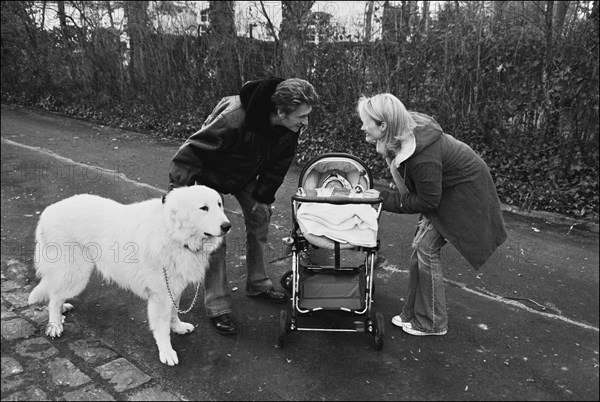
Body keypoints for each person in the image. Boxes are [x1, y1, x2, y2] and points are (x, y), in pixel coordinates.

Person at [168, 77, 319, 335]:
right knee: (215, 237)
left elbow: (279, 163)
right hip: (209, 174)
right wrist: (176, 193)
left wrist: (263, 195)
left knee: (261, 216)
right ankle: (218, 305)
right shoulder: (234, 117)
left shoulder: (290, 127)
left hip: (244, 174)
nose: (306, 122)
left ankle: (258, 283)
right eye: (302, 116)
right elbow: (191, 152)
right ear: (280, 112)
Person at [357, 93, 507, 336]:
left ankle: (432, 322)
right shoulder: (400, 134)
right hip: (446, 189)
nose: (362, 126)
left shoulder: (422, 157)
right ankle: (413, 312)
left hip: (463, 197)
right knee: (420, 246)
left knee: (426, 248)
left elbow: (427, 199)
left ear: (383, 126)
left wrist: (382, 199)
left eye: (366, 121)